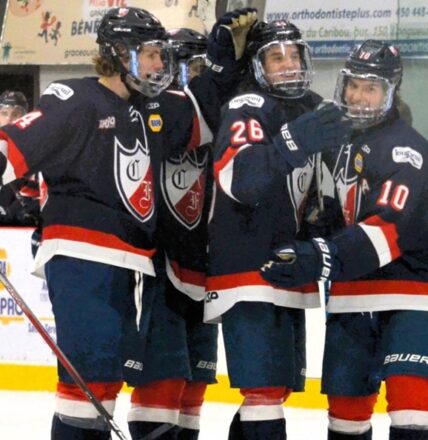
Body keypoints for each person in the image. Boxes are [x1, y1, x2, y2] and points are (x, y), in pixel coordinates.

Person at [0, 7, 194, 440]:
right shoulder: (74, 98)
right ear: (120, 53)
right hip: (81, 253)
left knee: (104, 380)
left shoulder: (147, 109)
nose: (159, 64)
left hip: (132, 261)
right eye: (149, 54)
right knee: (85, 380)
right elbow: (14, 146)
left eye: (160, 55)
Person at [261, 40, 428, 440]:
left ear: (390, 92)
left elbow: (387, 229)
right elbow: (327, 217)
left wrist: (319, 257)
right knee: (345, 414)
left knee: (409, 406)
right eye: (353, 85)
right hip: (351, 293)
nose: (358, 96)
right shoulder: (336, 145)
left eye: (371, 88)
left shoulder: (407, 150)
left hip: (413, 292)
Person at [207, 19, 351, 440]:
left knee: (277, 388)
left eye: (294, 56)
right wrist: (293, 141)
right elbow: (241, 180)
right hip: (246, 265)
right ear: (258, 66)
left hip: (289, 266)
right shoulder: (247, 106)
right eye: (276, 57)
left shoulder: (312, 107)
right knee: (264, 390)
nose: (288, 65)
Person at [157, 11, 257, 439]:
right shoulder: (156, 112)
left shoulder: (226, 116)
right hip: (162, 265)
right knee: (163, 379)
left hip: (208, 266)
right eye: (187, 67)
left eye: (200, 67)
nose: (194, 77)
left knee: (197, 378)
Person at [0, 90, 40, 226]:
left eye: (15, 114)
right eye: (4, 113)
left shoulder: (35, 149)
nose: (9, 119)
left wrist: (10, 212)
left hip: (20, 224)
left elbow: (36, 193)